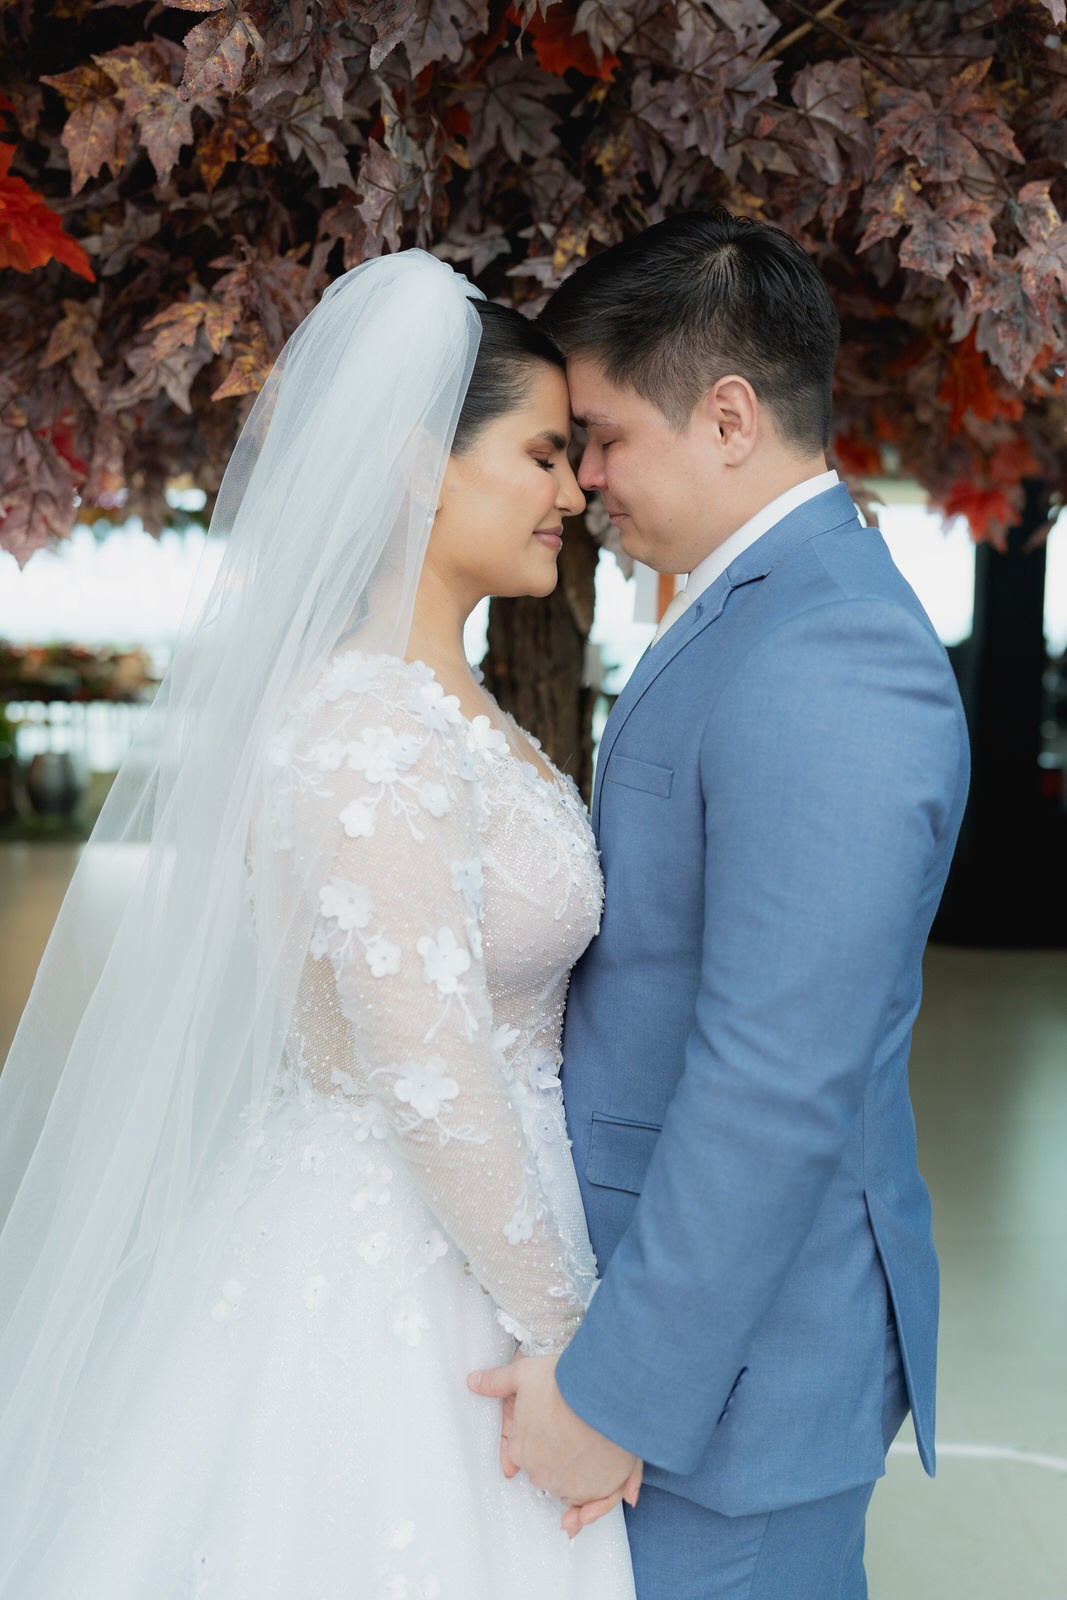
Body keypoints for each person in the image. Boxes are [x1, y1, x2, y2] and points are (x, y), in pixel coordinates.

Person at [0, 251, 636, 1599]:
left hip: (485, 1239)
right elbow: (429, 1069)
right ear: (419, 467)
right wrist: (574, 1346)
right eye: (540, 455)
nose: (572, 493)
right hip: (398, 1265)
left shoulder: (457, 711)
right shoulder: (366, 725)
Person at [470, 209, 970, 1598]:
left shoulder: (833, 650)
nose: (586, 480)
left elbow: (776, 1074)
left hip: (730, 1384)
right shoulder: (754, 605)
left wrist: (619, 1393)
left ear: (731, 417)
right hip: (673, 1332)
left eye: (605, 437)